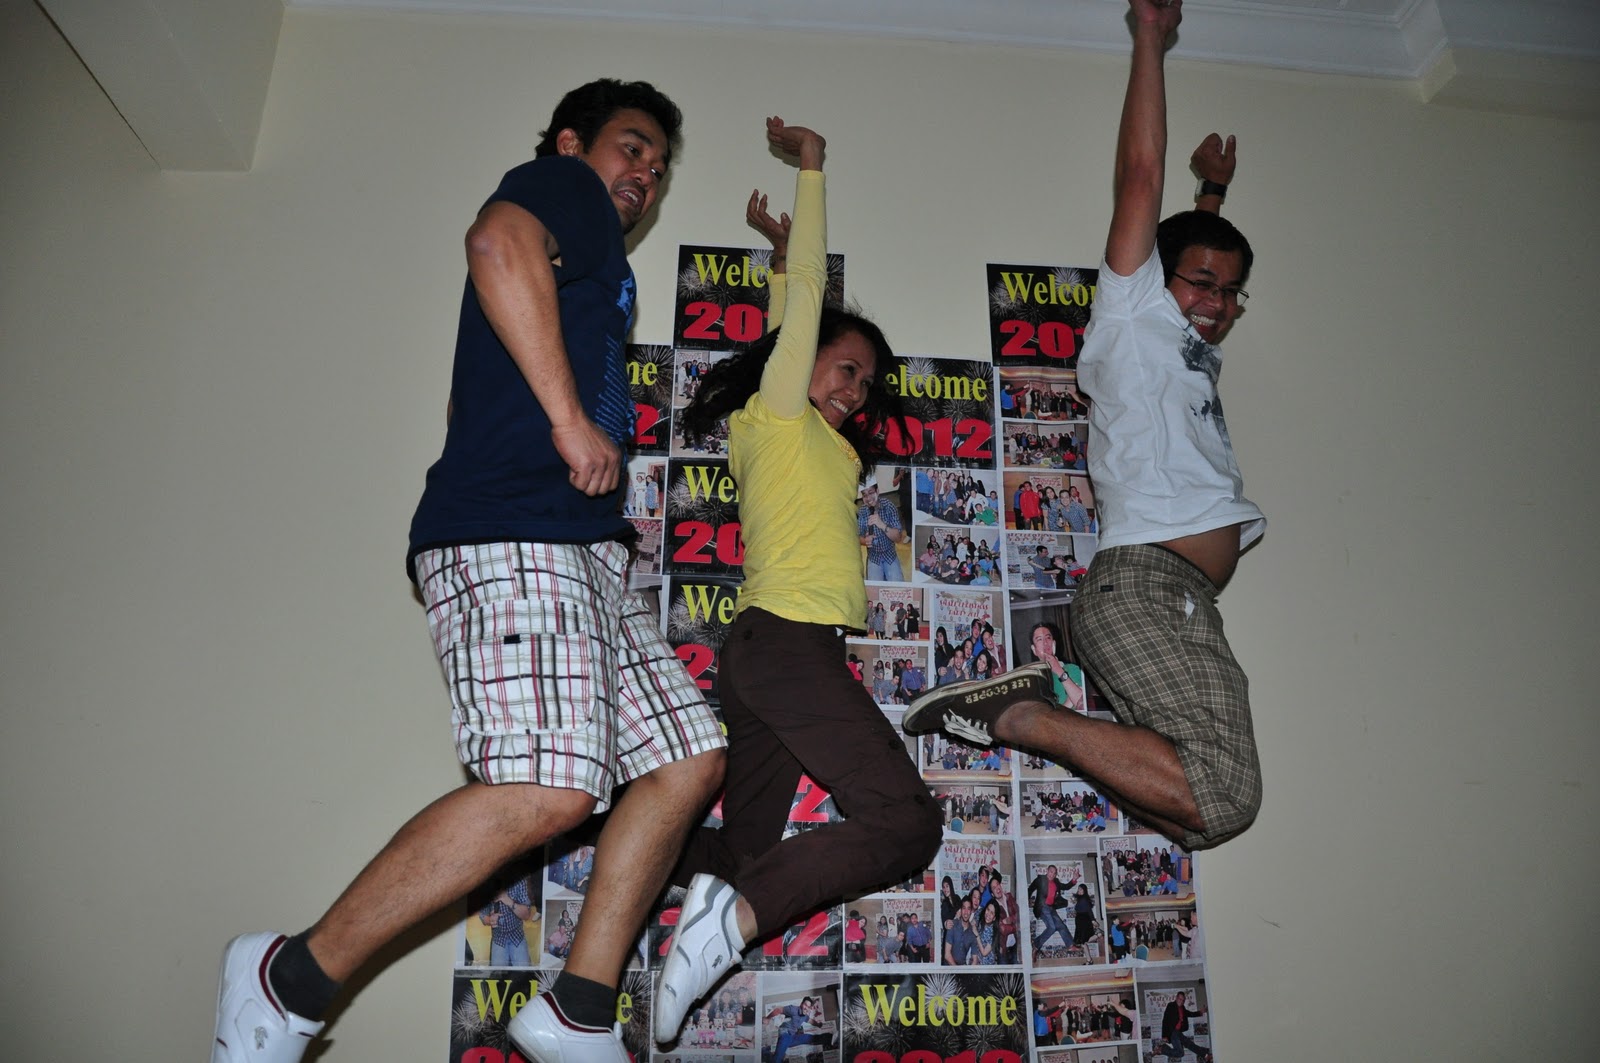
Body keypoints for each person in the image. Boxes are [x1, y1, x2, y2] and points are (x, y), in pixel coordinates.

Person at [208, 80, 727, 1063]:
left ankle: (578, 1007)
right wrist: (568, 425)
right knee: (547, 785)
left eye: (659, 168)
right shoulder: (563, 189)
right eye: (631, 147)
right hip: (517, 530)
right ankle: (290, 976)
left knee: (687, 758)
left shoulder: (596, 259)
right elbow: (494, 242)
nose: (646, 175)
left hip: (577, 546)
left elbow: (467, 400)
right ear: (571, 143)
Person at [903, 0, 1264, 851]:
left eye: (1231, 292)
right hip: (1149, 587)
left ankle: (1032, 713)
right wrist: (1151, 39)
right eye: (1200, 283)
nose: (1216, 303)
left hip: (1176, 600)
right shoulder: (1132, 314)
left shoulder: (1178, 347)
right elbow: (1140, 178)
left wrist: (1213, 195)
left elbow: (1193, 254)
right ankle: (1027, 717)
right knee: (1224, 791)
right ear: (1153, 278)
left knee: (1194, 821)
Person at [653, 118, 941, 1043]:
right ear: (805, 358)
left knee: (743, 847)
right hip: (783, 645)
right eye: (847, 368)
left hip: (767, 655)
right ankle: (730, 923)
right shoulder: (776, 414)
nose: (856, 390)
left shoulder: (802, 433)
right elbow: (809, 311)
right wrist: (811, 170)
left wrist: (779, 262)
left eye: (867, 383)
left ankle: (616, 830)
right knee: (905, 825)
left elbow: (797, 318)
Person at [1160, 991, 1211, 1062]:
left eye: (1183, 1000)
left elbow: (1190, 1013)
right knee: (1181, 1052)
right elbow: (1165, 1020)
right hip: (1172, 1032)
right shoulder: (1171, 1005)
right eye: (1180, 999)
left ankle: (1206, 1055)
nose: (1181, 1001)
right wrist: (1164, 1035)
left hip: (1178, 1033)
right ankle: (1162, 1049)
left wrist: (1200, 1012)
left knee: (1189, 1044)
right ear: (1176, 998)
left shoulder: (1182, 1008)